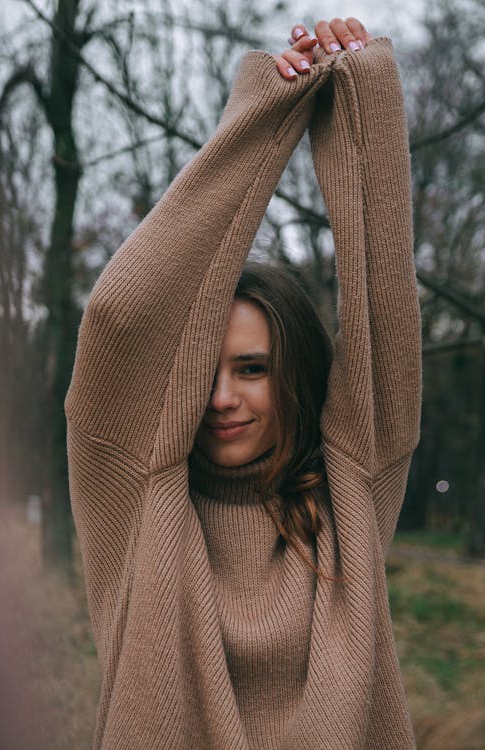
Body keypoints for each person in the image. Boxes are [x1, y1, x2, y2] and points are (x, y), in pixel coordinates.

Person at [65, 16, 422, 750]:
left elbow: (385, 318)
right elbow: (118, 319)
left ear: (293, 378)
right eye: (206, 374)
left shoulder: (349, 498)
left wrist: (364, 101)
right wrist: (265, 112)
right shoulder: (136, 501)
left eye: (252, 369)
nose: (221, 399)